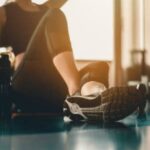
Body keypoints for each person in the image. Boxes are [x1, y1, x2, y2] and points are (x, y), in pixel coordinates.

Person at [0, 0, 146, 122]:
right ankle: (77, 92)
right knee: (55, 13)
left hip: (57, 92)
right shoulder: (4, 12)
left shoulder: (43, 9)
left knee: (98, 66)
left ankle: (94, 97)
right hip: (27, 85)